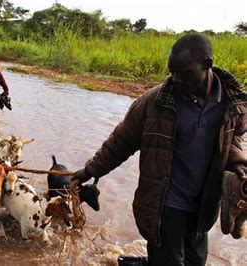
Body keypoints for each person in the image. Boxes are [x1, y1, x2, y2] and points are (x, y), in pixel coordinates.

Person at [72, 33, 246, 265]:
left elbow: (231, 141)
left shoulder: (230, 105)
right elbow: (122, 140)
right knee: (169, 261)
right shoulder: (155, 102)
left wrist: (238, 162)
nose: (176, 79)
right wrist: (91, 170)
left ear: (207, 66)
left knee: (196, 261)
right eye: (172, 72)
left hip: (204, 203)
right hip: (165, 204)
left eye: (184, 73)